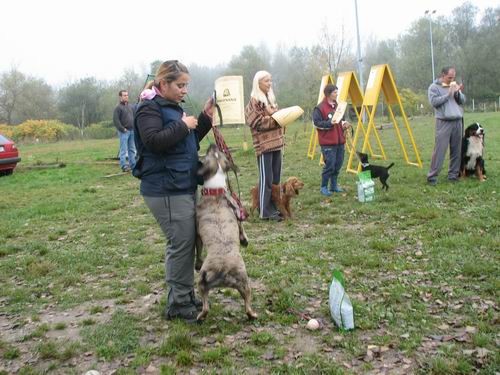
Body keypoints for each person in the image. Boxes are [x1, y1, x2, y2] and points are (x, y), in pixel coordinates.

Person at [133, 60, 214, 324]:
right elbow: (154, 142)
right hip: (165, 189)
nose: (184, 91)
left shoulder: (171, 108)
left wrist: (203, 120)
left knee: (186, 242)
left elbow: (184, 143)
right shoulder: (148, 109)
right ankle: (179, 304)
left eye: (186, 85)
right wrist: (183, 125)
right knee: (180, 244)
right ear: (163, 83)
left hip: (182, 184)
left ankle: (184, 295)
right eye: (180, 85)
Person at [245, 71, 284, 222]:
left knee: (275, 179)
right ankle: (264, 211)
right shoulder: (253, 102)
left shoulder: (270, 100)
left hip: (276, 144)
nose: (270, 83)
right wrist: (275, 118)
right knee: (266, 178)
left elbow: (276, 118)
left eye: (270, 80)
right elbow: (256, 123)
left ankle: (274, 207)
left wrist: (279, 116)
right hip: (264, 146)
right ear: (258, 83)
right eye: (266, 81)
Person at [427, 66, 465, 185]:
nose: (452, 79)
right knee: (440, 150)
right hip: (443, 122)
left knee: (456, 150)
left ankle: (453, 175)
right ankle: (432, 177)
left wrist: (458, 92)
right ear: (442, 75)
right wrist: (448, 94)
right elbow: (434, 102)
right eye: (449, 77)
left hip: (458, 121)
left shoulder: (453, 85)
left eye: (453, 77)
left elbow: (462, 101)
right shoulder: (434, 87)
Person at [313, 84, 350, 196]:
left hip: (340, 141)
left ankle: (333, 186)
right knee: (330, 165)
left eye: (337, 92)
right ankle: (323, 187)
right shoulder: (319, 108)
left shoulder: (338, 106)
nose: (336, 94)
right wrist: (329, 124)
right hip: (328, 143)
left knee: (338, 164)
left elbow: (341, 120)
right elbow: (317, 124)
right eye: (334, 92)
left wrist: (344, 124)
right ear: (328, 94)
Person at [113, 90, 137, 172]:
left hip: (132, 131)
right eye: (124, 95)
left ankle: (133, 164)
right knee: (123, 149)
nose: (126, 96)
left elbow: (134, 117)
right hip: (124, 132)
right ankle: (124, 165)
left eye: (127, 95)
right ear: (120, 97)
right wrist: (123, 129)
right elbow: (116, 121)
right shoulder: (118, 108)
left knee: (132, 149)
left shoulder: (131, 107)